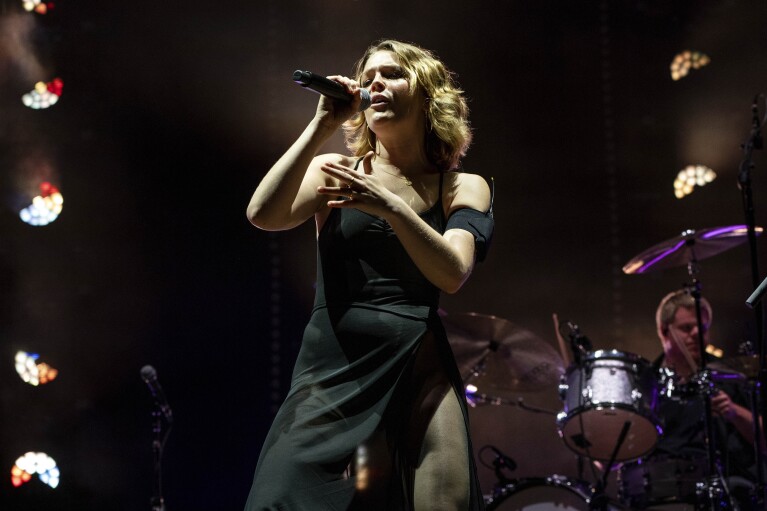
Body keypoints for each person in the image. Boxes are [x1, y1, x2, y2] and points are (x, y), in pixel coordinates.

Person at [243, 39, 494, 511]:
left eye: (393, 73)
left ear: (428, 95)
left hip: (418, 367)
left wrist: (390, 206)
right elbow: (263, 214)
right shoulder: (336, 169)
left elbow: (453, 272)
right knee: (277, 498)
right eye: (369, 75)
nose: (375, 82)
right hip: (333, 363)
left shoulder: (461, 186)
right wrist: (321, 125)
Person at [620, 289, 763, 510]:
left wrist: (734, 412)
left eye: (703, 328)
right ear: (663, 332)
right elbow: (612, 458)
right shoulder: (644, 384)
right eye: (687, 328)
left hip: (724, 492)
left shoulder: (730, 375)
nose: (697, 334)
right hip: (656, 493)